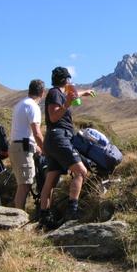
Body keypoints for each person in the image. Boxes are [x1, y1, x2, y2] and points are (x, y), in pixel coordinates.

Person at [38, 67, 95, 228]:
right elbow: (53, 117)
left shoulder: (59, 93)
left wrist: (84, 92)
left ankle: (44, 216)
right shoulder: (55, 93)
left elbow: (72, 95)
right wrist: (67, 104)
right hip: (59, 138)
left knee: (51, 179)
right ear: (66, 80)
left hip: (53, 140)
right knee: (80, 172)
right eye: (69, 79)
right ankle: (72, 212)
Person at [10, 79, 45, 210]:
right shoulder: (33, 106)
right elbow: (37, 132)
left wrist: (36, 146)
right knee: (25, 185)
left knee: (23, 184)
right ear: (42, 92)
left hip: (17, 146)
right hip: (23, 148)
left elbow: (23, 130)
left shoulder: (21, 104)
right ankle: (18, 216)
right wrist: (46, 149)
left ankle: (18, 213)